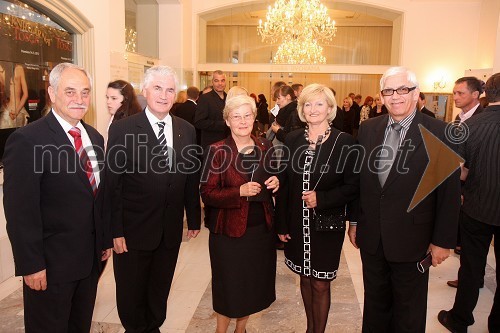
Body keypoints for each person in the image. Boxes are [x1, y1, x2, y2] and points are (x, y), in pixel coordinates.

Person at [349, 66, 461, 332]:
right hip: (373, 238)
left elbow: (448, 192)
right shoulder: (368, 129)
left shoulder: (440, 131)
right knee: (375, 305)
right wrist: (355, 221)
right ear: (381, 96)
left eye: (403, 89)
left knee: (408, 311)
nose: (395, 96)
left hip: (415, 240)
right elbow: (360, 181)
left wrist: (443, 241)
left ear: (416, 93)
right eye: (388, 91)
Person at [3, 62, 112, 332]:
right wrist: (31, 265)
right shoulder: (28, 140)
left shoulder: (95, 138)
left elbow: (97, 197)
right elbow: (20, 212)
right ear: (52, 93)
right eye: (70, 91)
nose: (79, 99)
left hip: (89, 265)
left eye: (85, 92)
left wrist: (104, 240)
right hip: (50, 268)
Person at [105, 65, 201, 332]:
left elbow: (190, 177)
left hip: (169, 230)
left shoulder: (186, 130)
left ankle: (153, 326)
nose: (164, 94)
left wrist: (193, 217)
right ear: (145, 90)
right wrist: (114, 230)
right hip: (132, 231)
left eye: (170, 89)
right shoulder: (123, 129)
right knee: (131, 295)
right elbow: (113, 185)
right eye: (157, 88)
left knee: (159, 291)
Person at [277, 83, 359, 333]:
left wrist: (322, 198)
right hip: (296, 224)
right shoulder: (292, 139)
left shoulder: (345, 142)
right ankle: (309, 327)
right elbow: (285, 183)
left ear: (330, 108)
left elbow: (353, 186)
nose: (313, 109)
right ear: (301, 109)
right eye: (308, 104)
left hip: (326, 224)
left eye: (319, 103)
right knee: (304, 277)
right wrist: (281, 223)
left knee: (321, 283)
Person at [201, 94, 279, 333]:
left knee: (251, 286)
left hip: (260, 231)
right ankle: (221, 330)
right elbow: (208, 193)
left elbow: (273, 176)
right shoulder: (216, 151)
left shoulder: (265, 145)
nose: (242, 121)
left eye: (247, 115)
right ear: (227, 121)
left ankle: (240, 329)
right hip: (228, 233)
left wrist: (277, 182)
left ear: (255, 118)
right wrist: (239, 191)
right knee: (229, 286)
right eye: (236, 116)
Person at [437, 72, 500, 333]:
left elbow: (459, 171)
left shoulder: (470, 127)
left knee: (471, 268)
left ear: (485, 94)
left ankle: (460, 320)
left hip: (477, 207)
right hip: (482, 206)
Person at [446, 76, 485, 289]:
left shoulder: (480, 120)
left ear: (475, 95)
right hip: (460, 185)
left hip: (475, 188)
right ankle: (470, 277)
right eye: (454, 93)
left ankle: (471, 279)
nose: (455, 97)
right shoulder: (459, 118)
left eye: (460, 93)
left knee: (473, 244)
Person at [195, 70, 228, 151]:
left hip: (228, 145)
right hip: (211, 146)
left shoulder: (230, 98)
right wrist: (223, 124)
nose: (220, 83)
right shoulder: (205, 98)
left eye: (222, 80)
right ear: (212, 82)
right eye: (216, 81)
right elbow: (199, 122)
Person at [0, 63, 29, 128]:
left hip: (8, 111)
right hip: (16, 111)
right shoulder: (19, 68)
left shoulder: (17, 68)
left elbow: (2, 94)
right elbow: (25, 94)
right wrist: (17, 111)